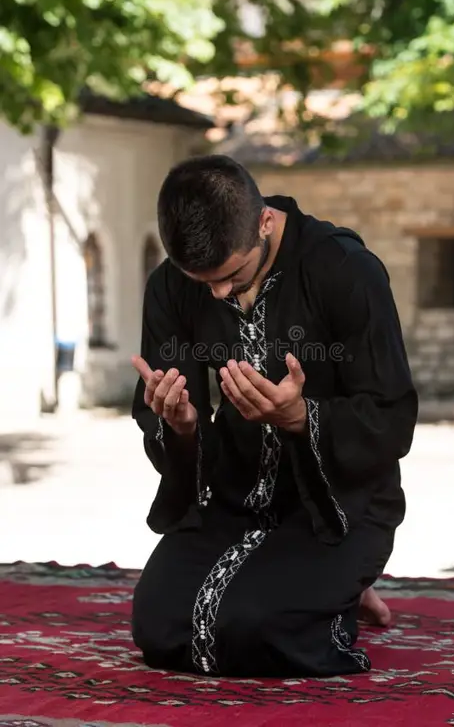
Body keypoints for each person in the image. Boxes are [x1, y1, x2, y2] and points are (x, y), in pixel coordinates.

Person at [130, 155, 418, 678]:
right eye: (203, 281)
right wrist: (183, 426)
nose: (218, 293)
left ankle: (341, 585)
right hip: (232, 495)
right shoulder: (172, 285)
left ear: (265, 221)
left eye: (232, 275)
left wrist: (300, 416)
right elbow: (172, 409)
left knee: (258, 626)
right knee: (161, 626)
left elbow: (390, 415)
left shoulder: (345, 270)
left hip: (337, 507)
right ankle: (321, 585)